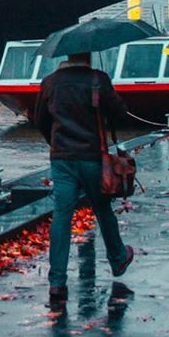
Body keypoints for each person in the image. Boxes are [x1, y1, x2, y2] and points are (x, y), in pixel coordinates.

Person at [34, 51, 135, 306]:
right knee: (102, 208)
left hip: (62, 159)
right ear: (89, 56)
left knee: (61, 215)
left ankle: (57, 282)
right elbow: (121, 113)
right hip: (92, 157)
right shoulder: (97, 80)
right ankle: (118, 258)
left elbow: (40, 119)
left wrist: (54, 142)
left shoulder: (50, 82)